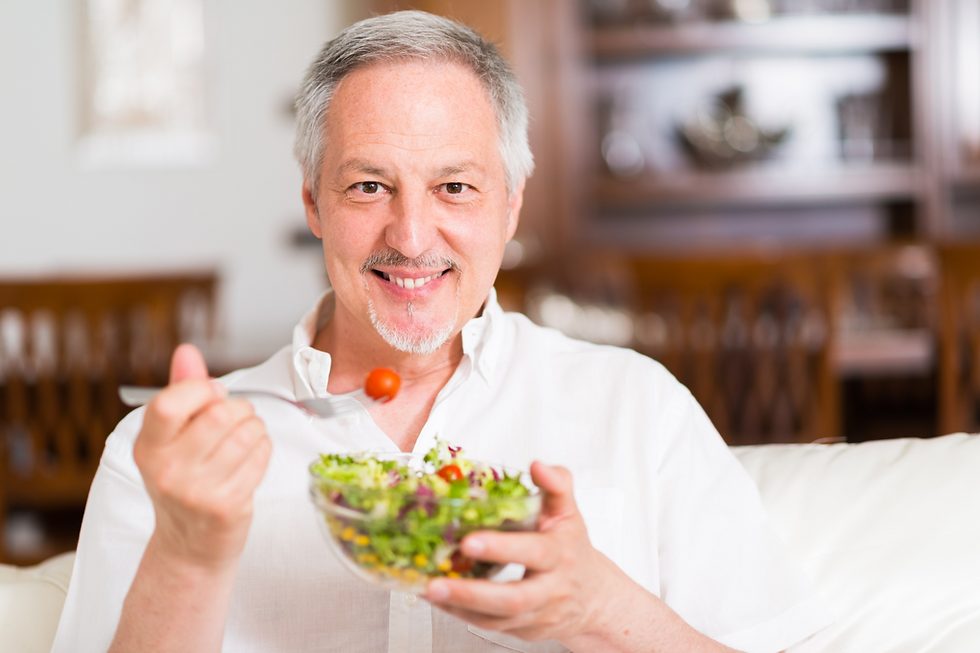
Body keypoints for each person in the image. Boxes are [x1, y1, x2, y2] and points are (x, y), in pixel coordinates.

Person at [52, 11, 833, 653]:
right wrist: (188, 552)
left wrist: (597, 606)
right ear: (314, 204)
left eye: (455, 187)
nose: (414, 235)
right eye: (369, 186)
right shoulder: (165, 458)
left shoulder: (637, 406)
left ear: (511, 204)